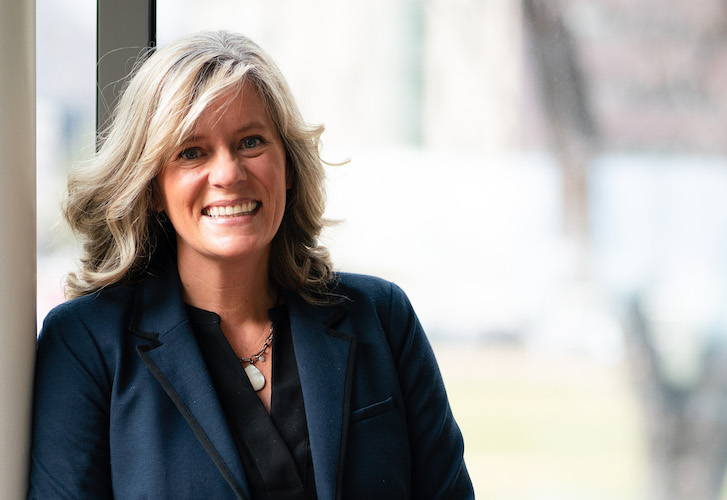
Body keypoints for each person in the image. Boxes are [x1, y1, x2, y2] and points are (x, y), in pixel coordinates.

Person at [28, 30, 473, 499]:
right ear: (153, 186)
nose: (228, 174)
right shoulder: (85, 344)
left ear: (288, 165)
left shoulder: (382, 317)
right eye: (191, 152)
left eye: (251, 142)